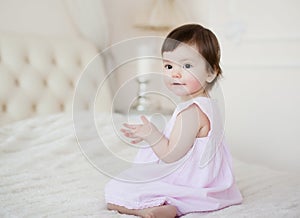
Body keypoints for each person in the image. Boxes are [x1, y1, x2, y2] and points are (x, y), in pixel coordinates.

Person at [105, 23, 242, 218]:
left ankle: (150, 209)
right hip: (209, 181)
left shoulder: (191, 113)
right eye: (169, 66)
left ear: (211, 73)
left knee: (116, 189)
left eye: (186, 66)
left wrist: (152, 135)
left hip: (191, 183)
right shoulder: (209, 106)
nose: (175, 73)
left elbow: (171, 156)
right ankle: (168, 206)